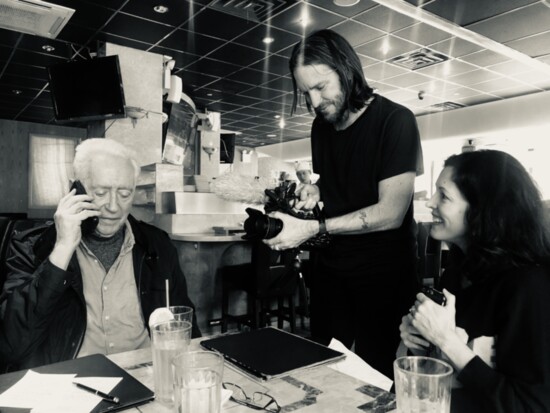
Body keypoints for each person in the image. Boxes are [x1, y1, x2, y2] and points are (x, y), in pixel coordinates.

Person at [264, 29, 424, 379]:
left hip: (382, 276)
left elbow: (390, 213)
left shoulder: (395, 122)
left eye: (321, 87)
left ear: (347, 69)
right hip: (331, 272)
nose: (315, 102)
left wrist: (312, 228)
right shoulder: (321, 128)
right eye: (306, 92)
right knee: (322, 369)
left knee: (373, 378)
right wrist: (316, 195)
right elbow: (337, 188)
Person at [0, 138, 200, 371]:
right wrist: (62, 250)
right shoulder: (32, 246)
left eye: (125, 193)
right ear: (75, 189)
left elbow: (187, 327)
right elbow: (11, 346)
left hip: (146, 374)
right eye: (101, 192)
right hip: (73, 382)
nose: (114, 207)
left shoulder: (158, 245)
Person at [401, 150, 550, 412]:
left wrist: (446, 340)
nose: (431, 202)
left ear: (482, 209)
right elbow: (441, 373)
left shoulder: (531, 287)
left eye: (444, 196)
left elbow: (531, 406)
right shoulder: (459, 270)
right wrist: (419, 342)